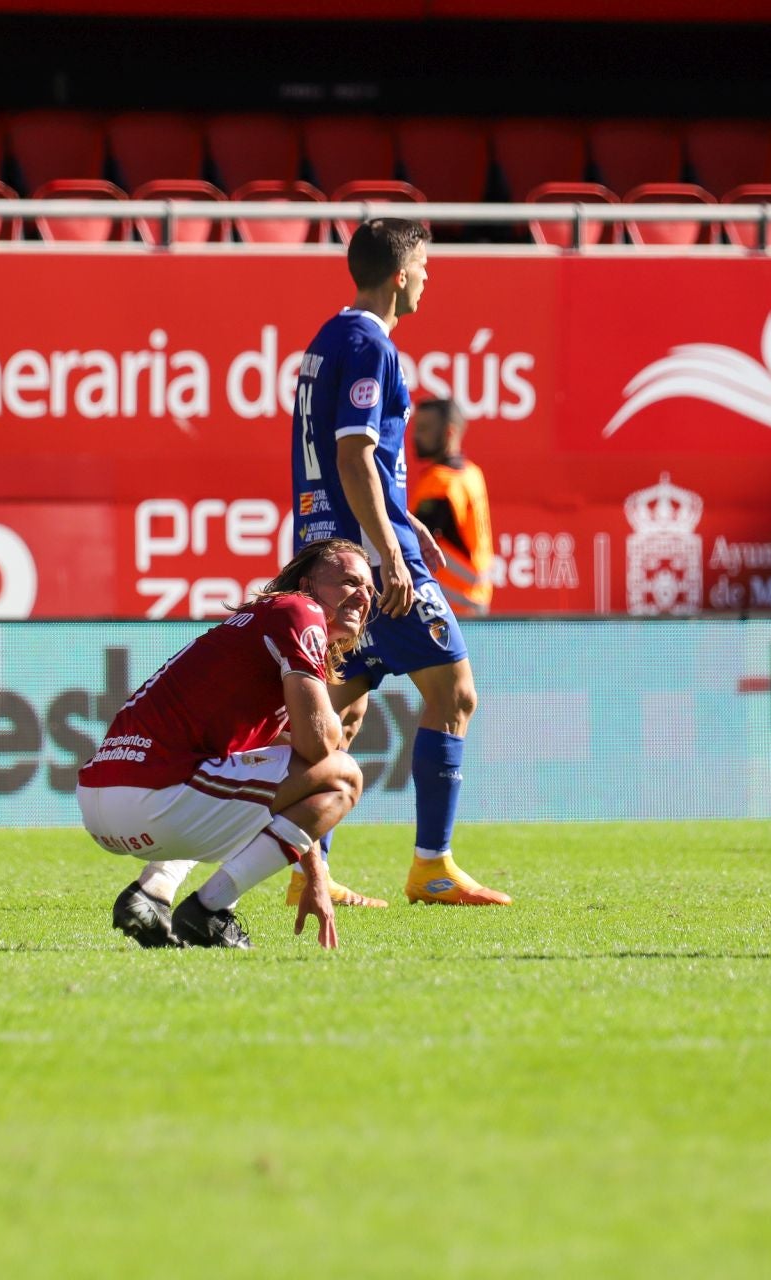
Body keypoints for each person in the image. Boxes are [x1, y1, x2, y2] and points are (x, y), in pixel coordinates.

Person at [286, 218, 510, 907]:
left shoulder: (328, 338)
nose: (429, 280)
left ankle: (303, 872)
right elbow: (354, 457)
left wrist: (406, 519)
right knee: (454, 694)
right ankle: (430, 865)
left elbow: (355, 463)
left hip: (329, 551)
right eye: (426, 268)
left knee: (337, 720)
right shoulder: (370, 345)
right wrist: (391, 556)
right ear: (401, 276)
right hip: (366, 561)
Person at [77, 539, 372, 950]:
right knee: (345, 776)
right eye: (348, 581)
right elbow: (321, 745)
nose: (362, 595)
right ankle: (210, 910)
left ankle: (152, 893)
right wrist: (340, 725)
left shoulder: (262, 630)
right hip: (152, 800)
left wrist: (316, 877)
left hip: (105, 802)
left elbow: (295, 772)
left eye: (369, 589)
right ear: (308, 584)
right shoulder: (300, 610)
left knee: (236, 775)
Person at [408, 397, 494, 617]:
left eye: (425, 429)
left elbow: (409, 542)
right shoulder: (472, 473)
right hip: (473, 599)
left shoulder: (441, 482)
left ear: (449, 433)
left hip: (447, 605)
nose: (416, 436)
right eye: (417, 428)